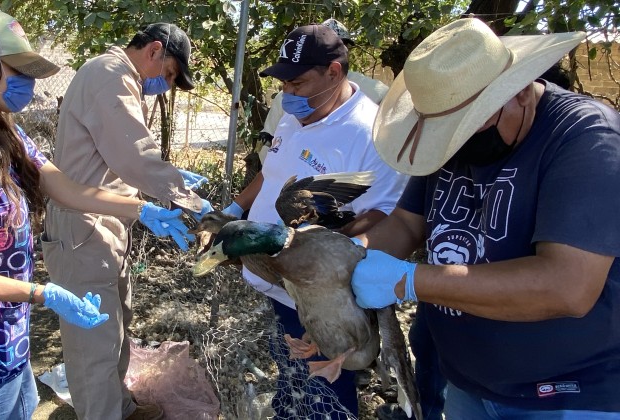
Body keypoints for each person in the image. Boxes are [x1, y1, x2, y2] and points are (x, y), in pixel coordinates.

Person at [0, 6, 193, 419]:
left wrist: (140, 208)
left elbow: (60, 184)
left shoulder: (2, 129)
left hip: (7, 331)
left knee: (26, 405)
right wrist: (41, 293)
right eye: (16, 69)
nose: (28, 83)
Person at [351, 17, 620, 418]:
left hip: (566, 394)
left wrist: (410, 280)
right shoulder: (447, 142)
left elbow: (568, 286)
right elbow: (407, 224)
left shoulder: (585, 139)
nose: (455, 148)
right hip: (468, 383)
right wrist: (340, 261)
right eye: (445, 136)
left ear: (522, 92)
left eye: (469, 131)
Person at [222, 24, 408, 418]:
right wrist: (234, 210)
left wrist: (309, 245)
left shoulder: (373, 135)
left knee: (325, 394)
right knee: (291, 378)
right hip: (275, 283)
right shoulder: (294, 115)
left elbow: (383, 214)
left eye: (298, 83)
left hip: (316, 294)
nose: (288, 94)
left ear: (335, 73)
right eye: (284, 83)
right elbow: (270, 171)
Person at [42, 22, 211, 420]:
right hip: (83, 226)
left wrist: (164, 182)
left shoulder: (119, 77)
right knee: (94, 343)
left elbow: (121, 156)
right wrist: (189, 198)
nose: (166, 85)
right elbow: (134, 154)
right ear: (154, 50)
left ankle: (118, 408)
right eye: (169, 74)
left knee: (116, 329)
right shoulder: (110, 75)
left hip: (104, 222)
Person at [257, 19, 389, 166]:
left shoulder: (376, 95)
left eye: (297, 83)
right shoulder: (288, 101)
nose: (290, 90)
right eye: (287, 83)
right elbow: (269, 146)